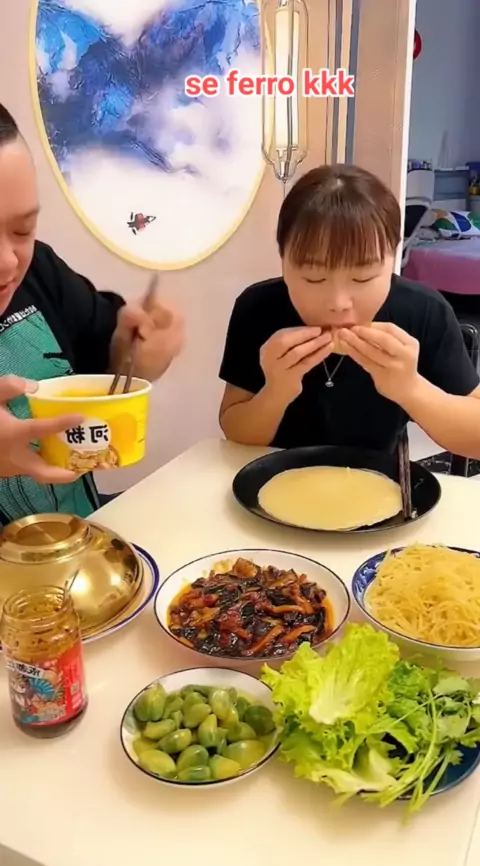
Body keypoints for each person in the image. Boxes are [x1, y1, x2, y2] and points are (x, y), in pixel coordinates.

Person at [0, 103, 184, 524]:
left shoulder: (40, 271)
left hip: (83, 542)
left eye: (22, 230)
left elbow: (110, 370)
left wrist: (136, 353)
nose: (9, 262)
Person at [219, 164, 480, 457]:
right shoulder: (257, 308)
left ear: (392, 258)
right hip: (276, 473)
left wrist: (411, 389)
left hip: (378, 477)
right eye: (314, 278)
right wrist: (276, 392)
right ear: (283, 260)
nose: (338, 302)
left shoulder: (424, 311)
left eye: (363, 278)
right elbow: (235, 430)